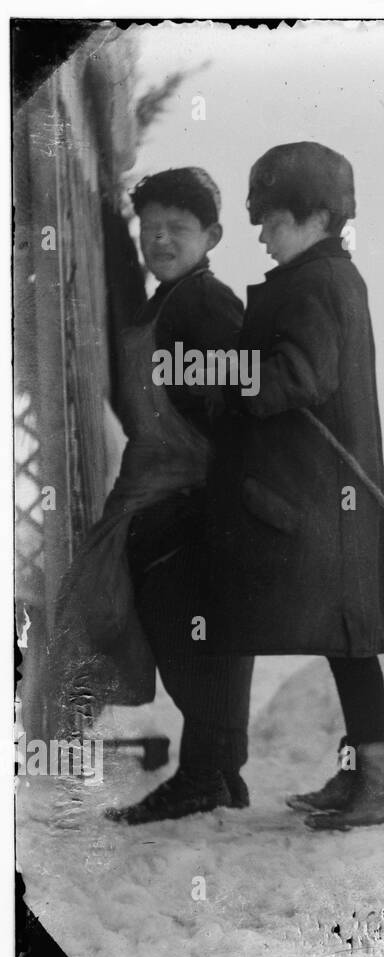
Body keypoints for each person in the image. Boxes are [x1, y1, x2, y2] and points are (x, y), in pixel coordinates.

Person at [202, 142, 384, 830]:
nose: (261, 232)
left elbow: (303, 376)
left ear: (319, 215)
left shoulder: (318, 283)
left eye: (273, 219)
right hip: (333, 494)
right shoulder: (327, 277)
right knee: (345, 641)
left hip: (332, 497)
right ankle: (364, 775)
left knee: (349, 640)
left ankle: (378, 781)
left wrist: (232, 379)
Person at [44, 167, 255, 824]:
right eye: (150, 227)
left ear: (211, 235)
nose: (161, 239)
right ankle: (217, 772)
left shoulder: (206, 304)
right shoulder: (164, 299)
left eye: (178, 228)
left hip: (190, 495)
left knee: (195, 641)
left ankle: (205, 776)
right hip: (156, 488)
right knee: (184, 636)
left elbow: (238, 408)